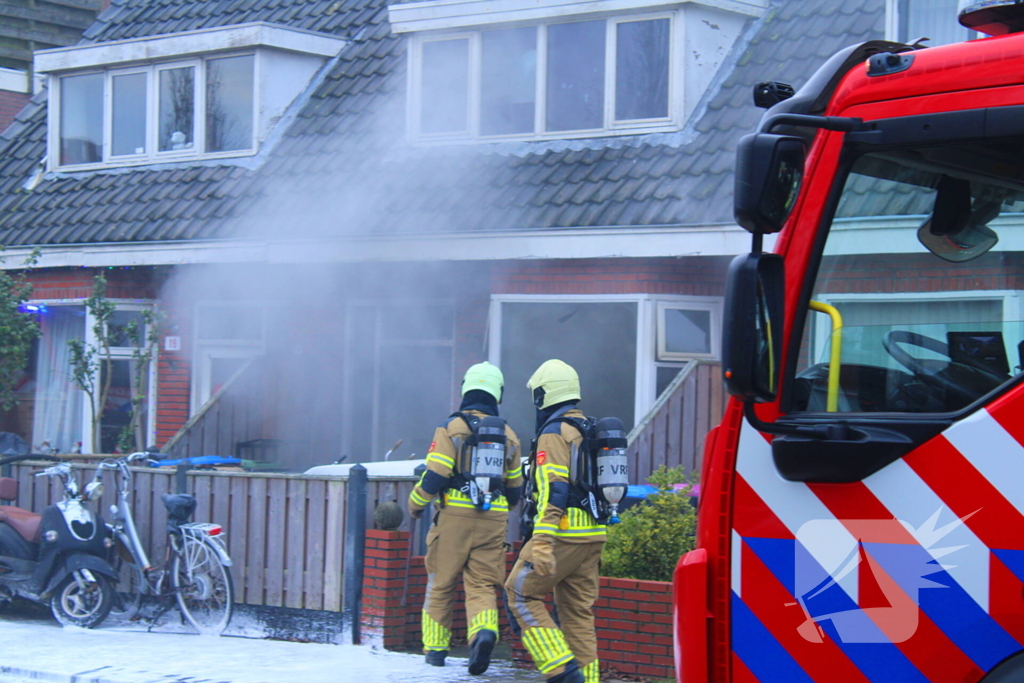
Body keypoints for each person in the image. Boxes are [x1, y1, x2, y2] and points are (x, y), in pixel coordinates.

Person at [408, 361, 522, 675]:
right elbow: (515, 490)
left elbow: (436, 473)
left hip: (454, 518)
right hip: (494, 518)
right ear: (497, 393)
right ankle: (483, 633)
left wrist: (416, 504)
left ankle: (435, 651)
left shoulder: (451, 427)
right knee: (482, 585)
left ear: (465, 390)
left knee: (441, 584)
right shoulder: (509, 434)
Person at [504, 359, 604, 683]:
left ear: (543, 395)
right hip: (592, 536)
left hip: (561, 535)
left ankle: (562, 671)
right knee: (577, 616)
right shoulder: (588, 428)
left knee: (519, 594)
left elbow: (554, 490)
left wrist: (543, 542)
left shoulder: (553, 432)